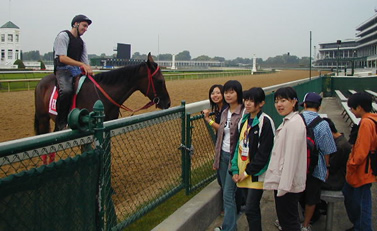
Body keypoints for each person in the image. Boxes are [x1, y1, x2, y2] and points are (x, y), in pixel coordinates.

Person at [230, 87, 275, 231]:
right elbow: (238, 146)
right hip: (242, 174)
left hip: (256, 175)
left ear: (261, 103)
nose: (248, 104)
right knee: (251, 210)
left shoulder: (265, 122)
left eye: (252, 101)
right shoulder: (244, 120)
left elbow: (264, 153)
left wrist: (247, 172)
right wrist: (235, 169)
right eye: (246, 100)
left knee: (250, 208)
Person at [264, 86, 307, 231]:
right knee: (287, 220)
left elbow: (291, 158)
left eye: (283, 100)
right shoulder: (289, 121)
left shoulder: (294, 124)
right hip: (284, 183)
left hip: (287, 185)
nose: (279, 105)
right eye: (276, 101)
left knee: (289, 222)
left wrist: (283, 188)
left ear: (294, 102)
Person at [299, 92, 337, 231]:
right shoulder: (323, 124)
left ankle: (292, 219)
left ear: (305, 105)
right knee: (312, 197)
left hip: (297, 166)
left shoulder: (296, 119)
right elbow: (327, 149)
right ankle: (305, 225)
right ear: (319, 107)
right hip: (315, 168)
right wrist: (326, 167)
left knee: (295, 194)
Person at [343, 92, 377, 231]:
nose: (351, 110)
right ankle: (359, 225)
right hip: (365, 169)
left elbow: (362, 150)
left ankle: (363, 228)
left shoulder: (366, 123)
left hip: (363, 170)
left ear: (359, 107)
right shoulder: (372, 119)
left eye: (352, 108)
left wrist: (351, 164)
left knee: (362, 204)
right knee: (352, 197)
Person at [53, 14, 93, 130]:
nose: (85, 29)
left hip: (76, 71)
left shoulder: (82, 43)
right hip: (63, 69)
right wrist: (82, 65)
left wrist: (88, 69)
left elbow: (85, 61)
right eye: (84, 26)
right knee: (66, 91)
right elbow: (62, 58)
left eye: (86, 27)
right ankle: (61, 122)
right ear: (76, 24)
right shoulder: (63, 36)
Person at [213, 80, 243, 231]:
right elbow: (221, 136)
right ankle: (230, 225)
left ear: (238, 93)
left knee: (228, 194)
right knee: (227, 192)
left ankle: (229, 228)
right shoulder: (225, 112)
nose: (228, 95)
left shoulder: (243, 113)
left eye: (232, 92)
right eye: (226, 92)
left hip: (234, 158)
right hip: (223, 155)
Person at [321, 117, 351, 191]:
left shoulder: (340, 147)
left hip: (336, 180)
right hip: (337, 176)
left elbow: (332, 167)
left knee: (311, 182)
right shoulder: (340, 140)